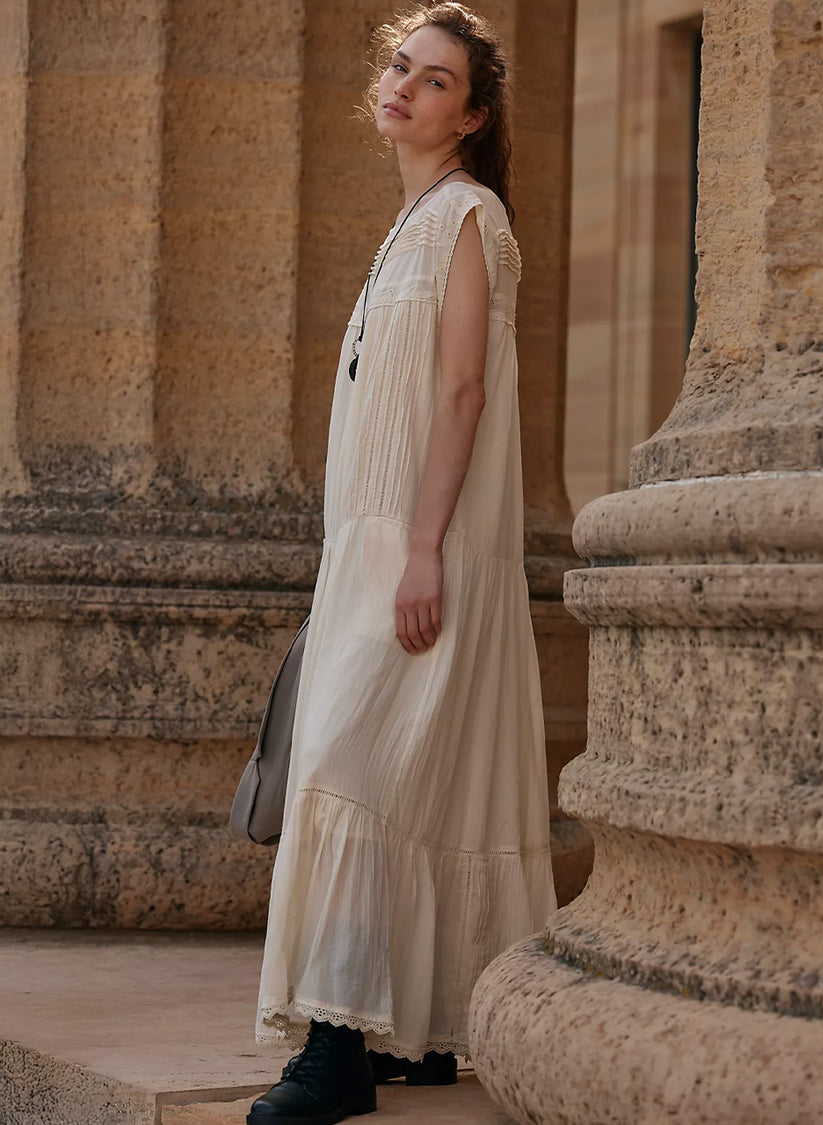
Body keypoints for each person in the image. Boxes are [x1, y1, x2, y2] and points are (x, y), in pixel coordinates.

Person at [248, 4, 557, 1123]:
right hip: (371, 547)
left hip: (422, 548)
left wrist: (422, 549)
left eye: (432, 81)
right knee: (404, 778)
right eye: (399, 66)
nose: (402, 86)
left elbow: (463, 392)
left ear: (470, 117)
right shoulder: (407, 225)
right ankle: (419, 1036)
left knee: (348, 768)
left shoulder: (470, 215)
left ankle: (332, 1049)